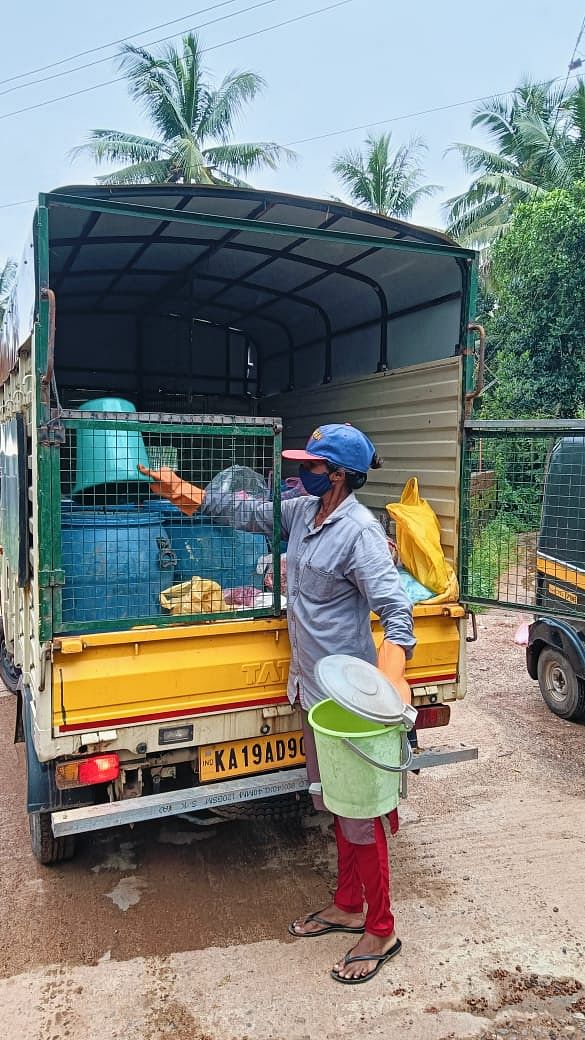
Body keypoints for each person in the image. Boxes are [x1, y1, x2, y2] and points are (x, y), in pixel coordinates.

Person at [140, 422, 415, 984]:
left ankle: (381, 928)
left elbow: (398, 614)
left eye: (312, 464)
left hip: (351, 701)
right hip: (312, 691)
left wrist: (387, 690)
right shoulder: (300, 513)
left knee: (360, 813)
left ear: (336, 474)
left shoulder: (359, 533)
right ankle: (347, 903)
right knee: (333, 800)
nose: (301, 470)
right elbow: (246, 513)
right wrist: (181, 490)